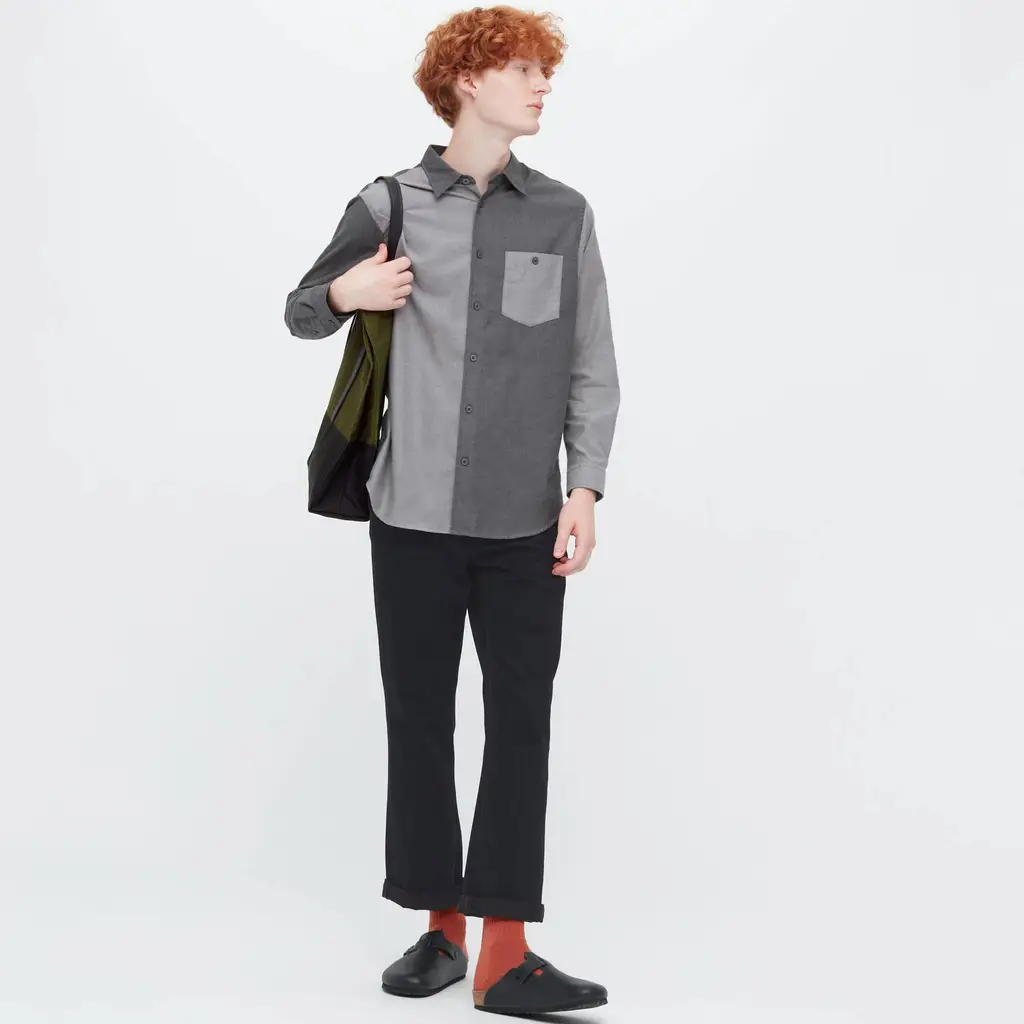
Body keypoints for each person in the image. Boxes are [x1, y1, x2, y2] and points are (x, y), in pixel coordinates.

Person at [283, 5, 619, 1015]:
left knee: (520, 725)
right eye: (523, 69)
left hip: (526, 521)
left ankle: (505, 953)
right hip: (412, 516)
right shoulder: (388, 202)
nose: (543, 85)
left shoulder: (562, 213)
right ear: (468, 81)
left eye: (544, 71)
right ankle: (440, 929)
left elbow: (590, 363)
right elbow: (300, 308)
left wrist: (585, 487)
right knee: (420, 721)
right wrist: (349, 293)